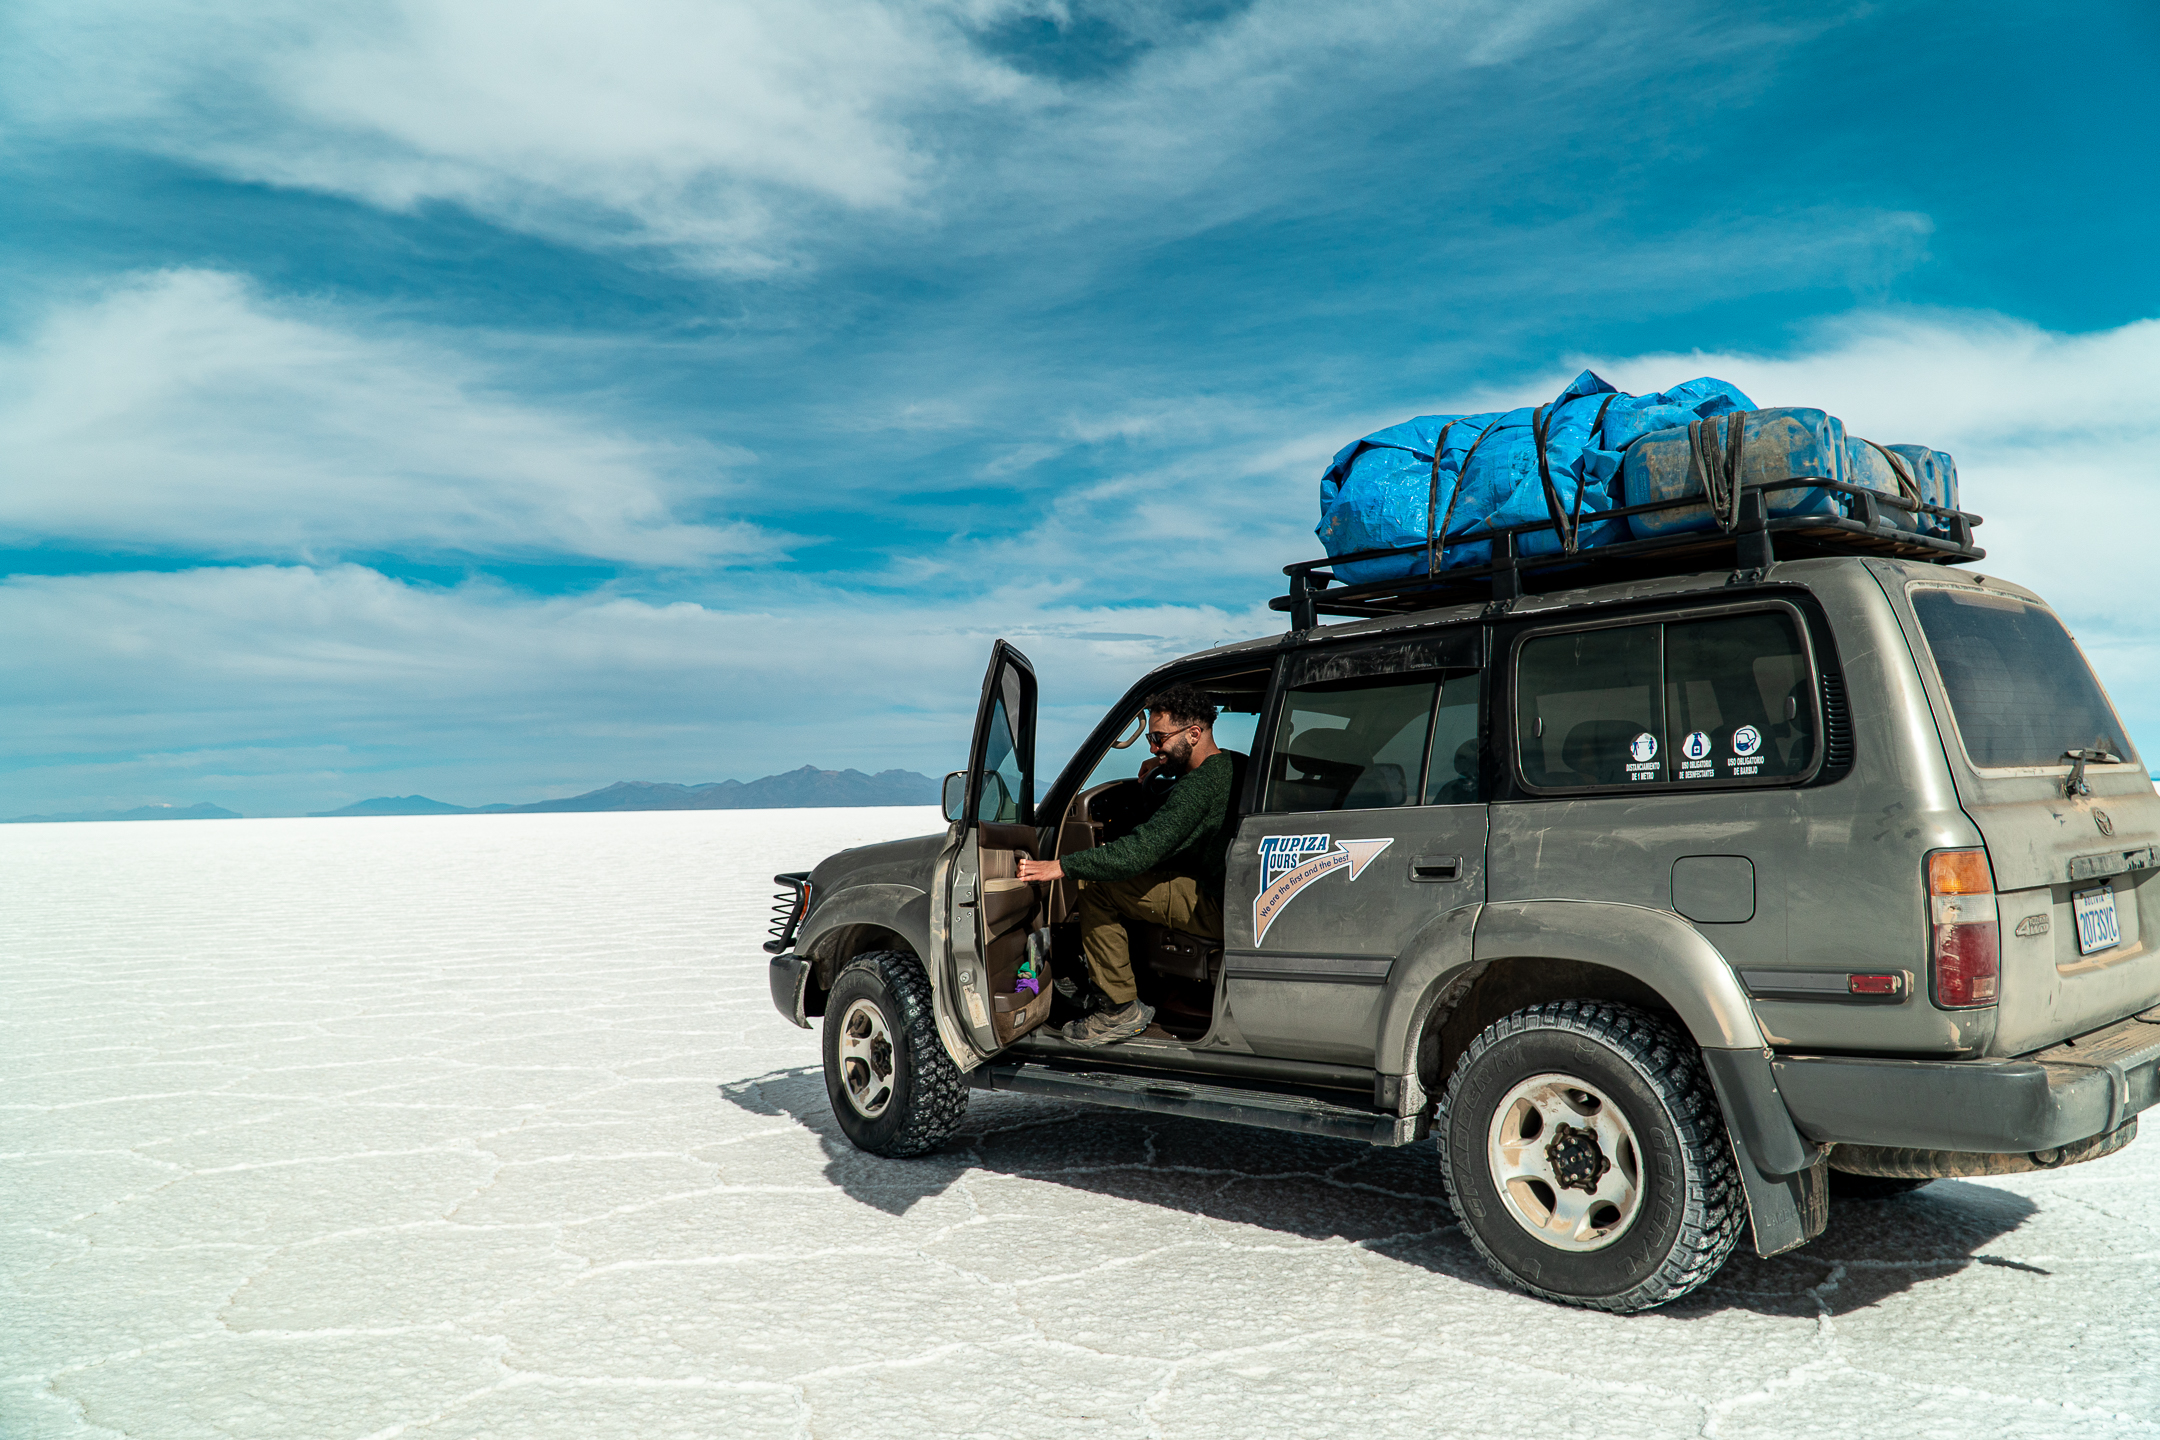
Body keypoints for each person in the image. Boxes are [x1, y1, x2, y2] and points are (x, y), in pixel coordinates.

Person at [1015, 685, 1244, 1046]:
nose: (1153, 748)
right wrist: (1166, 767)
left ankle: (1118, 1010)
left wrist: (1061, 866)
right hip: (1232, 891)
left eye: (1159, 738)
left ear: (1193, 734)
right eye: (1151, 739)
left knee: (1099, 888)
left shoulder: (1199, 787)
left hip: (1217, 902)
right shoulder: (1233, 764)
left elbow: (1139, 852)